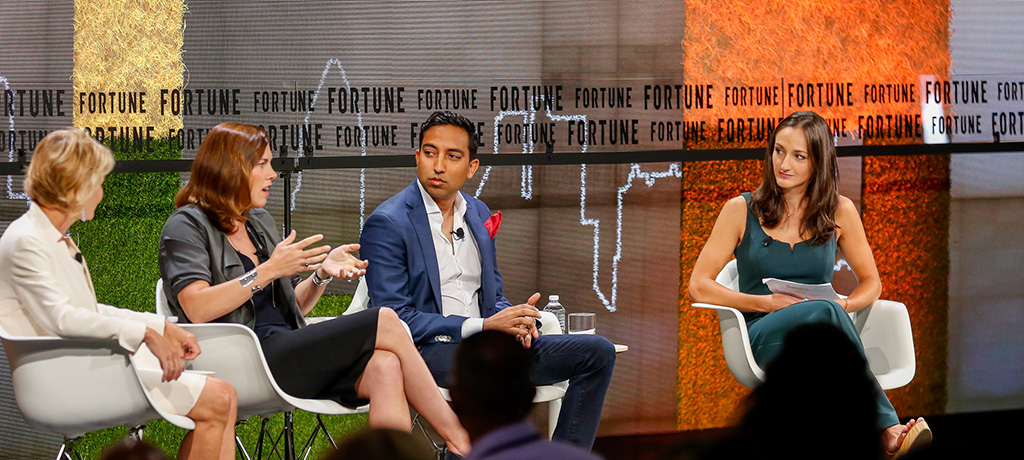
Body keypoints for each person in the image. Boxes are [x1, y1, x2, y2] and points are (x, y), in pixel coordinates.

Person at [156, 122, 468, 455]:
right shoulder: (187, 225)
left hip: (286, 353)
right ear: (231, 169)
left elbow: (293, 309)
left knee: (385, 366)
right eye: (262, 165)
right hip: (242, 359)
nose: (273, 174)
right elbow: (196, 307)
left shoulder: (259, 223)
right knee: (385, 319)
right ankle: (459, 438)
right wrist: (266, 271)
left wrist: (321, 275)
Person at [359, 110, 616, 450]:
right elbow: (395, 318)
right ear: (417, 156)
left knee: (597, 353)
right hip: (431, 350)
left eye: (453, 156)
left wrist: (516, 321)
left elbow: (491, 296)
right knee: (489, 371)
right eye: (430, 153)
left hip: (489, 345)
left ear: (471, 167)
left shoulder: (478, 212)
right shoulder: (388, 223)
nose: (438, 166)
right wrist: (482, 327)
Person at [688, 110, 931, 458]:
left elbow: (871, 283)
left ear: (818, 163)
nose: (783, 163)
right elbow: (698, 286)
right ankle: (885, 429)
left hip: (824, 338)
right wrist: (766, 303)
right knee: (830, 332)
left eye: (798, 156)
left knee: (828, 330)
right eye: (778, 151)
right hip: (763, 335)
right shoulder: (740, 209)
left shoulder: (840, 211)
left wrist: (842, 307)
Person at [0, 129, 238, 460]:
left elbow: (89, 310)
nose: (101, 193)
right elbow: (62, 319)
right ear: (77, 186)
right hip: (63, 381)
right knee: (219, 399)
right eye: (99, 183)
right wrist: (146, 335)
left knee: (225, 396)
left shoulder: (48, 238)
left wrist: (161, 327)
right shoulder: (27, 241)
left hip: (85, 366)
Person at [449, 330, 602, 460]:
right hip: (445, 343)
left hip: (514, 338)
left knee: (598, 350)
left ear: (455, 400)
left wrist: (522, 321)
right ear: (531, 397)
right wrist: (483, 324)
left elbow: (502, 305)